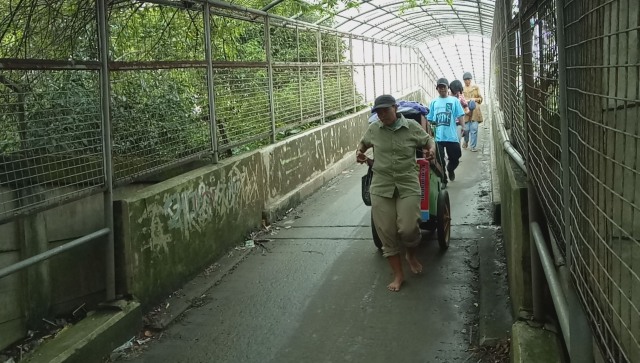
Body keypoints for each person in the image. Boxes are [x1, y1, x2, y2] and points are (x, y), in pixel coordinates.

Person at [356, 94, 437, 292]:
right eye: (378, 112)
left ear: (395, 108)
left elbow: (429, 141)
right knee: (387, 233)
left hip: (408, 184)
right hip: (381, 186)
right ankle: (398, 274)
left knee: (408, 229)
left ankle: (410, 253)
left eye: (385, 110)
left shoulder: (411, 127)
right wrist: (359, 153)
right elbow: (363, 144)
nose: (382, 115)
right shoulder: (374, 129)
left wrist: (431, 151)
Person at [427, 78, 465, 184]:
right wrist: (430, 132)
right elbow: (429, 119)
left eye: (444, 87)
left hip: (451, 135)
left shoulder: (454, 101)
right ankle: (444, 180)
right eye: (440, 87)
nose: (442, 89)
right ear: (437, 89)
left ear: (448, 88)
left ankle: (451, 169)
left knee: (456, 156)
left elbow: (460, 114)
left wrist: (464, 127)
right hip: (438, 136)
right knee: (440, 160)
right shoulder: (433, 102)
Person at [462, 72, 484, 152]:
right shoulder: (462, 89)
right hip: (465, 112)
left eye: (468, 79)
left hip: (475, 111)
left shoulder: (476, 88)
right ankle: (466, 140)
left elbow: (480, 99)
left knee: (474, 129)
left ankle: (473, 147)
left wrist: (475, 99)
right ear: (463, 81)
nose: (467, 81)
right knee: (466, 129)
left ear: (470, 80)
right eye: (465, 80)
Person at [448, 79, 470, 145]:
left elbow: (466, 106)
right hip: (448, 123)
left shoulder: (460, 96)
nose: (457, 93)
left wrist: (465, 111)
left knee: (457, 140)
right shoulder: (447, 97)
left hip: (458, 123)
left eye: (458, 91)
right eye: (456, 91)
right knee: (449, 141)